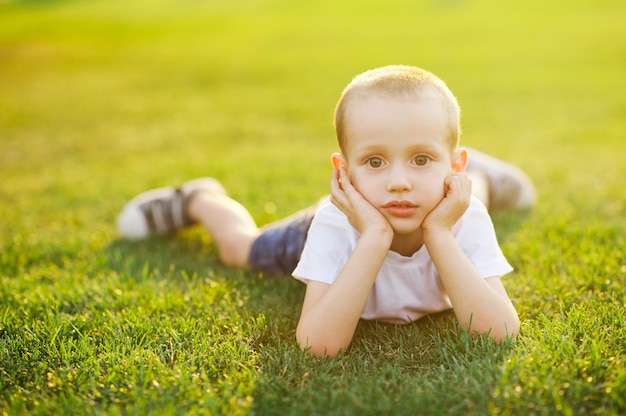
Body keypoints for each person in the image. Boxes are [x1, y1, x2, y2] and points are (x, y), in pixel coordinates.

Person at [118, 65, 535, 358]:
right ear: (344, 171)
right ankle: (198, 198)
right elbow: (318, 347)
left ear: (452, 165)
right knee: (239, 249)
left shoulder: (460, 215)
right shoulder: (335, 224)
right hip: (348, 217)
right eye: (374, 161)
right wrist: (373, 236)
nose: (398, 182)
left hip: (444, 197)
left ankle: (481, 178)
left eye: (421, 158)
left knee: (463, 197)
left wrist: (439, 234)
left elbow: (498, 336)